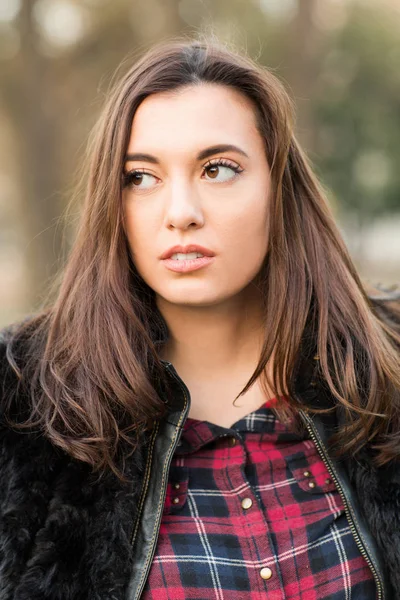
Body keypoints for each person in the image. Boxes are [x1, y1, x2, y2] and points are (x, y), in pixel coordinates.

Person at [0, 36, 399, 600]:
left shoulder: (382, 376)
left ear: (277, 187)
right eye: (141, 177)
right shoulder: (25, 409)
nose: (181, 213)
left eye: (217, 168)